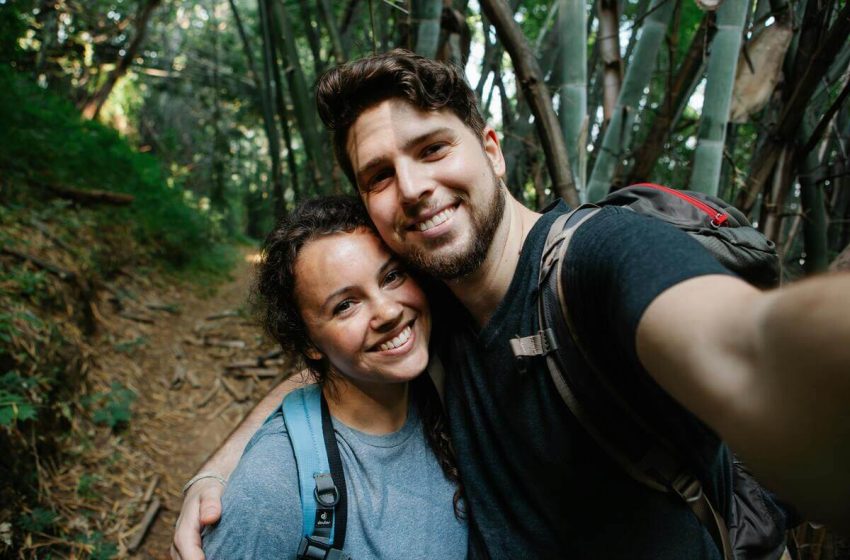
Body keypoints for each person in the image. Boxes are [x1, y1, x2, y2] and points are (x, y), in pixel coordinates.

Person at [174, 50, 850, 559]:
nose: (413, 188)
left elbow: (745, 344)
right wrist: (218, 469)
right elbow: (326, 367)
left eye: (432, 149)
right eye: (380, 175)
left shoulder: (598, 262)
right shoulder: (424, 300)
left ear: (491, 151)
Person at [201, 196, 467, 559]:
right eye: (345, 305)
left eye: (391, 276)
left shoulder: (450, 392)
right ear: (309, 342)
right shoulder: (272, 486)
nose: (388, 312)